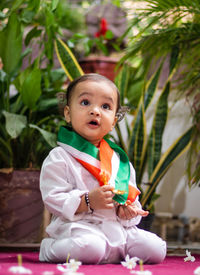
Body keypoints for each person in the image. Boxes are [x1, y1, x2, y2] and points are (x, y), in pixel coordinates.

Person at [39, 73, 166, 264]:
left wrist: (127, 211)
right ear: (67, 113)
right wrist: (87, 201)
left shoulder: (120, 161)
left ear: (113, 121)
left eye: (105, 106)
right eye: (85, 102)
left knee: (155, 249)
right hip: (80, 227)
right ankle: (49, 249)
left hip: (117, 230)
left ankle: (110, 253)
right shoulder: (60, 156)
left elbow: (130, 197)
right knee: (90, 247)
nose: (95, 111)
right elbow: (52, 197)